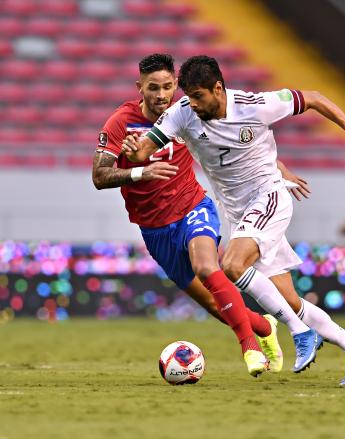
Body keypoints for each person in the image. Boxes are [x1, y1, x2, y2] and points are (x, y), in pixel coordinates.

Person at [123, 55, 345, 385]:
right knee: (289, 300)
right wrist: (134, 153)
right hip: (239, 214)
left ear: (218, 89)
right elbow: (143, 151)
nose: (193, 104)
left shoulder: (256, 105)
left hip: (269, 198)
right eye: (188, 97)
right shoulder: (183, 113)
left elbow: (315, 98)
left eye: (199, 97)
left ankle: (301, 333)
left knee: (231, 265)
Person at [92, 53, 282, 377]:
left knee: (207, 266)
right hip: (155, 229)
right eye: (153, 88)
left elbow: (240, 142)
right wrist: (139, 172)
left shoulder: (188, 113)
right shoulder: (120, 123)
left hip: (193, 206)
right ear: (139, 88)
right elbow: (99, 176)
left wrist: (275, 170)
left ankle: (249, 347)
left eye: (167, 86)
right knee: (212, 303)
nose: (161, 95)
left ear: (176, 85)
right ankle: (266, 329)